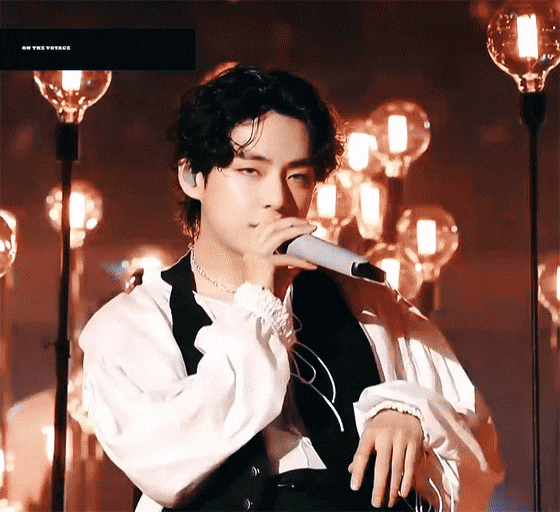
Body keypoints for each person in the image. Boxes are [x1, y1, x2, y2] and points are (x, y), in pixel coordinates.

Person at [79, 65, 503, 512]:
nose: (277, 199)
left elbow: (477, 442)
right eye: (250, 171)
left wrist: (412, 414)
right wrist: (259, 302)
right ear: (192, 177)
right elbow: (164, 462)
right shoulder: (132, 325)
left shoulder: (366, 304)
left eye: (297, 177)